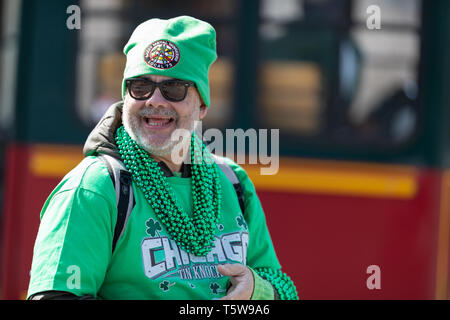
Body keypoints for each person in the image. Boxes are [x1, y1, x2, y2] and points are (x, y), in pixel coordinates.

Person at [27, 16, 298, 300]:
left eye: (174, 89)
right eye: (141, 87)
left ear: (202, 105)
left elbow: (279, 285)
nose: (155, 101)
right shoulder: (94, 189)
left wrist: (258, 291)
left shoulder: (233, 183)